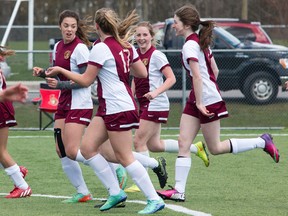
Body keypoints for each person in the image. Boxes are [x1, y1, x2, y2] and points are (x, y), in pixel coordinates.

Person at [46, 8, 165, 214]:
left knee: (124, 156)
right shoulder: (126, 46)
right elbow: (142, 72)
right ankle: (115, 192)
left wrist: (61, 71)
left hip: (117, 106)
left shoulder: (101, 48)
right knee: (88, 148)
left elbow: (85, 80)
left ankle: (154, 199)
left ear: (98, 27)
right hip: (109, 106)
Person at [156, 4, 280, 202]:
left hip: (205, 100)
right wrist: (200, 95)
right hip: (198, 98)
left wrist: (202, 99)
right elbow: (215, 71)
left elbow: (197, 76)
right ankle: (179, 190)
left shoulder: (191, 45)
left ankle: (262, 141)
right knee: (183, 142)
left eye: (176, 22)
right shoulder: (198, 43)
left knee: (215, 147)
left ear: (186, 24)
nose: (174, 26)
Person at [125, 21, 209, 193]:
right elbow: (136, 78)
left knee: (138, 140)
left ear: (152, 36)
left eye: (144, 35)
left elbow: (171, 78)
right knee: (154, 145)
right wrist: (131, 96)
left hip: (156, 103)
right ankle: (196, 148)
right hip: (145, 102)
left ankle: (142, 180)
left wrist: (155, 93)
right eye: (138, 35)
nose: (141, 38)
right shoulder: (135, 55)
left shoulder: (156, 55)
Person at [32, 10, 95, 203]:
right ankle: (82, 191)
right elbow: (57, 77)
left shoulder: (81, 49)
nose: (69, 29)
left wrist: (60, 84)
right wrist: (43, 73)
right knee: (61, 149)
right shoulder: (59, 46)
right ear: (60, 26)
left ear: (77, 28)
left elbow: (86, 81)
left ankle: (111, 167)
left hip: (80, 102)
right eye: (66, 25)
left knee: (72, 149)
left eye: (73, 26)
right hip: (65, 101)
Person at [0, 46, 31, 198]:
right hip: (3, 105)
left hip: (1, 108)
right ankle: (17, 171)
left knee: (1, 151)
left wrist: (6, 94)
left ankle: (22, 186)